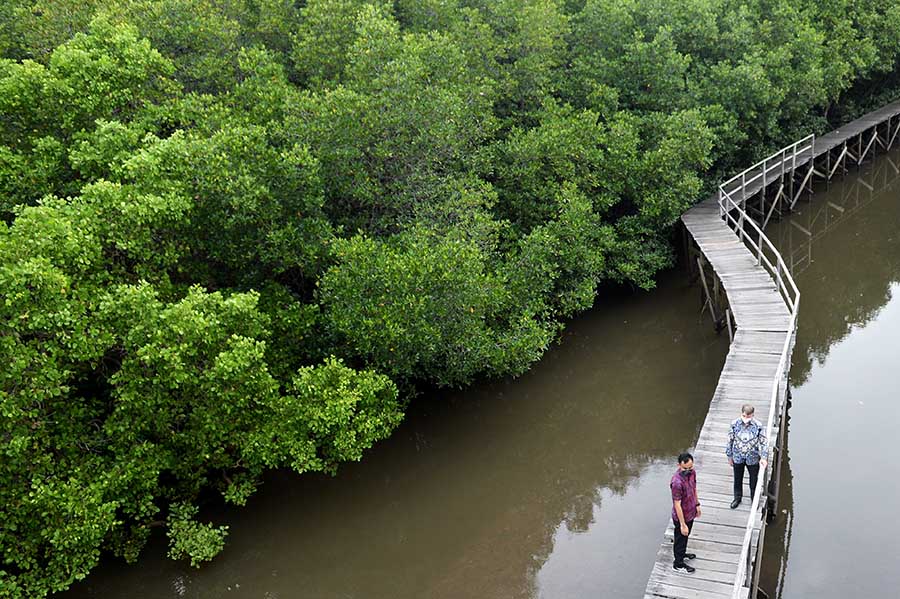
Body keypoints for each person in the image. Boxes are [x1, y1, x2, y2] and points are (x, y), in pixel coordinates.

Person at [726, 404, 768, 509]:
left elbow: (764, 442)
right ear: (741, 414)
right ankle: (737, 498)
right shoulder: (734, 424)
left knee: (753, 480)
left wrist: (763, 457)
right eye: (744, 416)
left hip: (752, 457)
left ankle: (754, 499)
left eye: (748, 416)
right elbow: (730, 440)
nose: (746, 418)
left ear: (752, 415)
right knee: (737, 479)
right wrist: (729, 456)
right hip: (737, 456)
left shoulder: (758, 426)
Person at [671, 452, 700, 573]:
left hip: (690, 511)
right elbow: (677, 504)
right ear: (679, 465)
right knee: (680, 538)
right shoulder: (676, 482)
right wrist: (682, 524)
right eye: (685, 468)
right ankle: (678, 563)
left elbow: (694, 489)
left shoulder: (692, 473)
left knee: (685, 536)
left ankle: (682, 554)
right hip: (681, 516)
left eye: (690, 467)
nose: (688, 470)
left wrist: (697, 505)